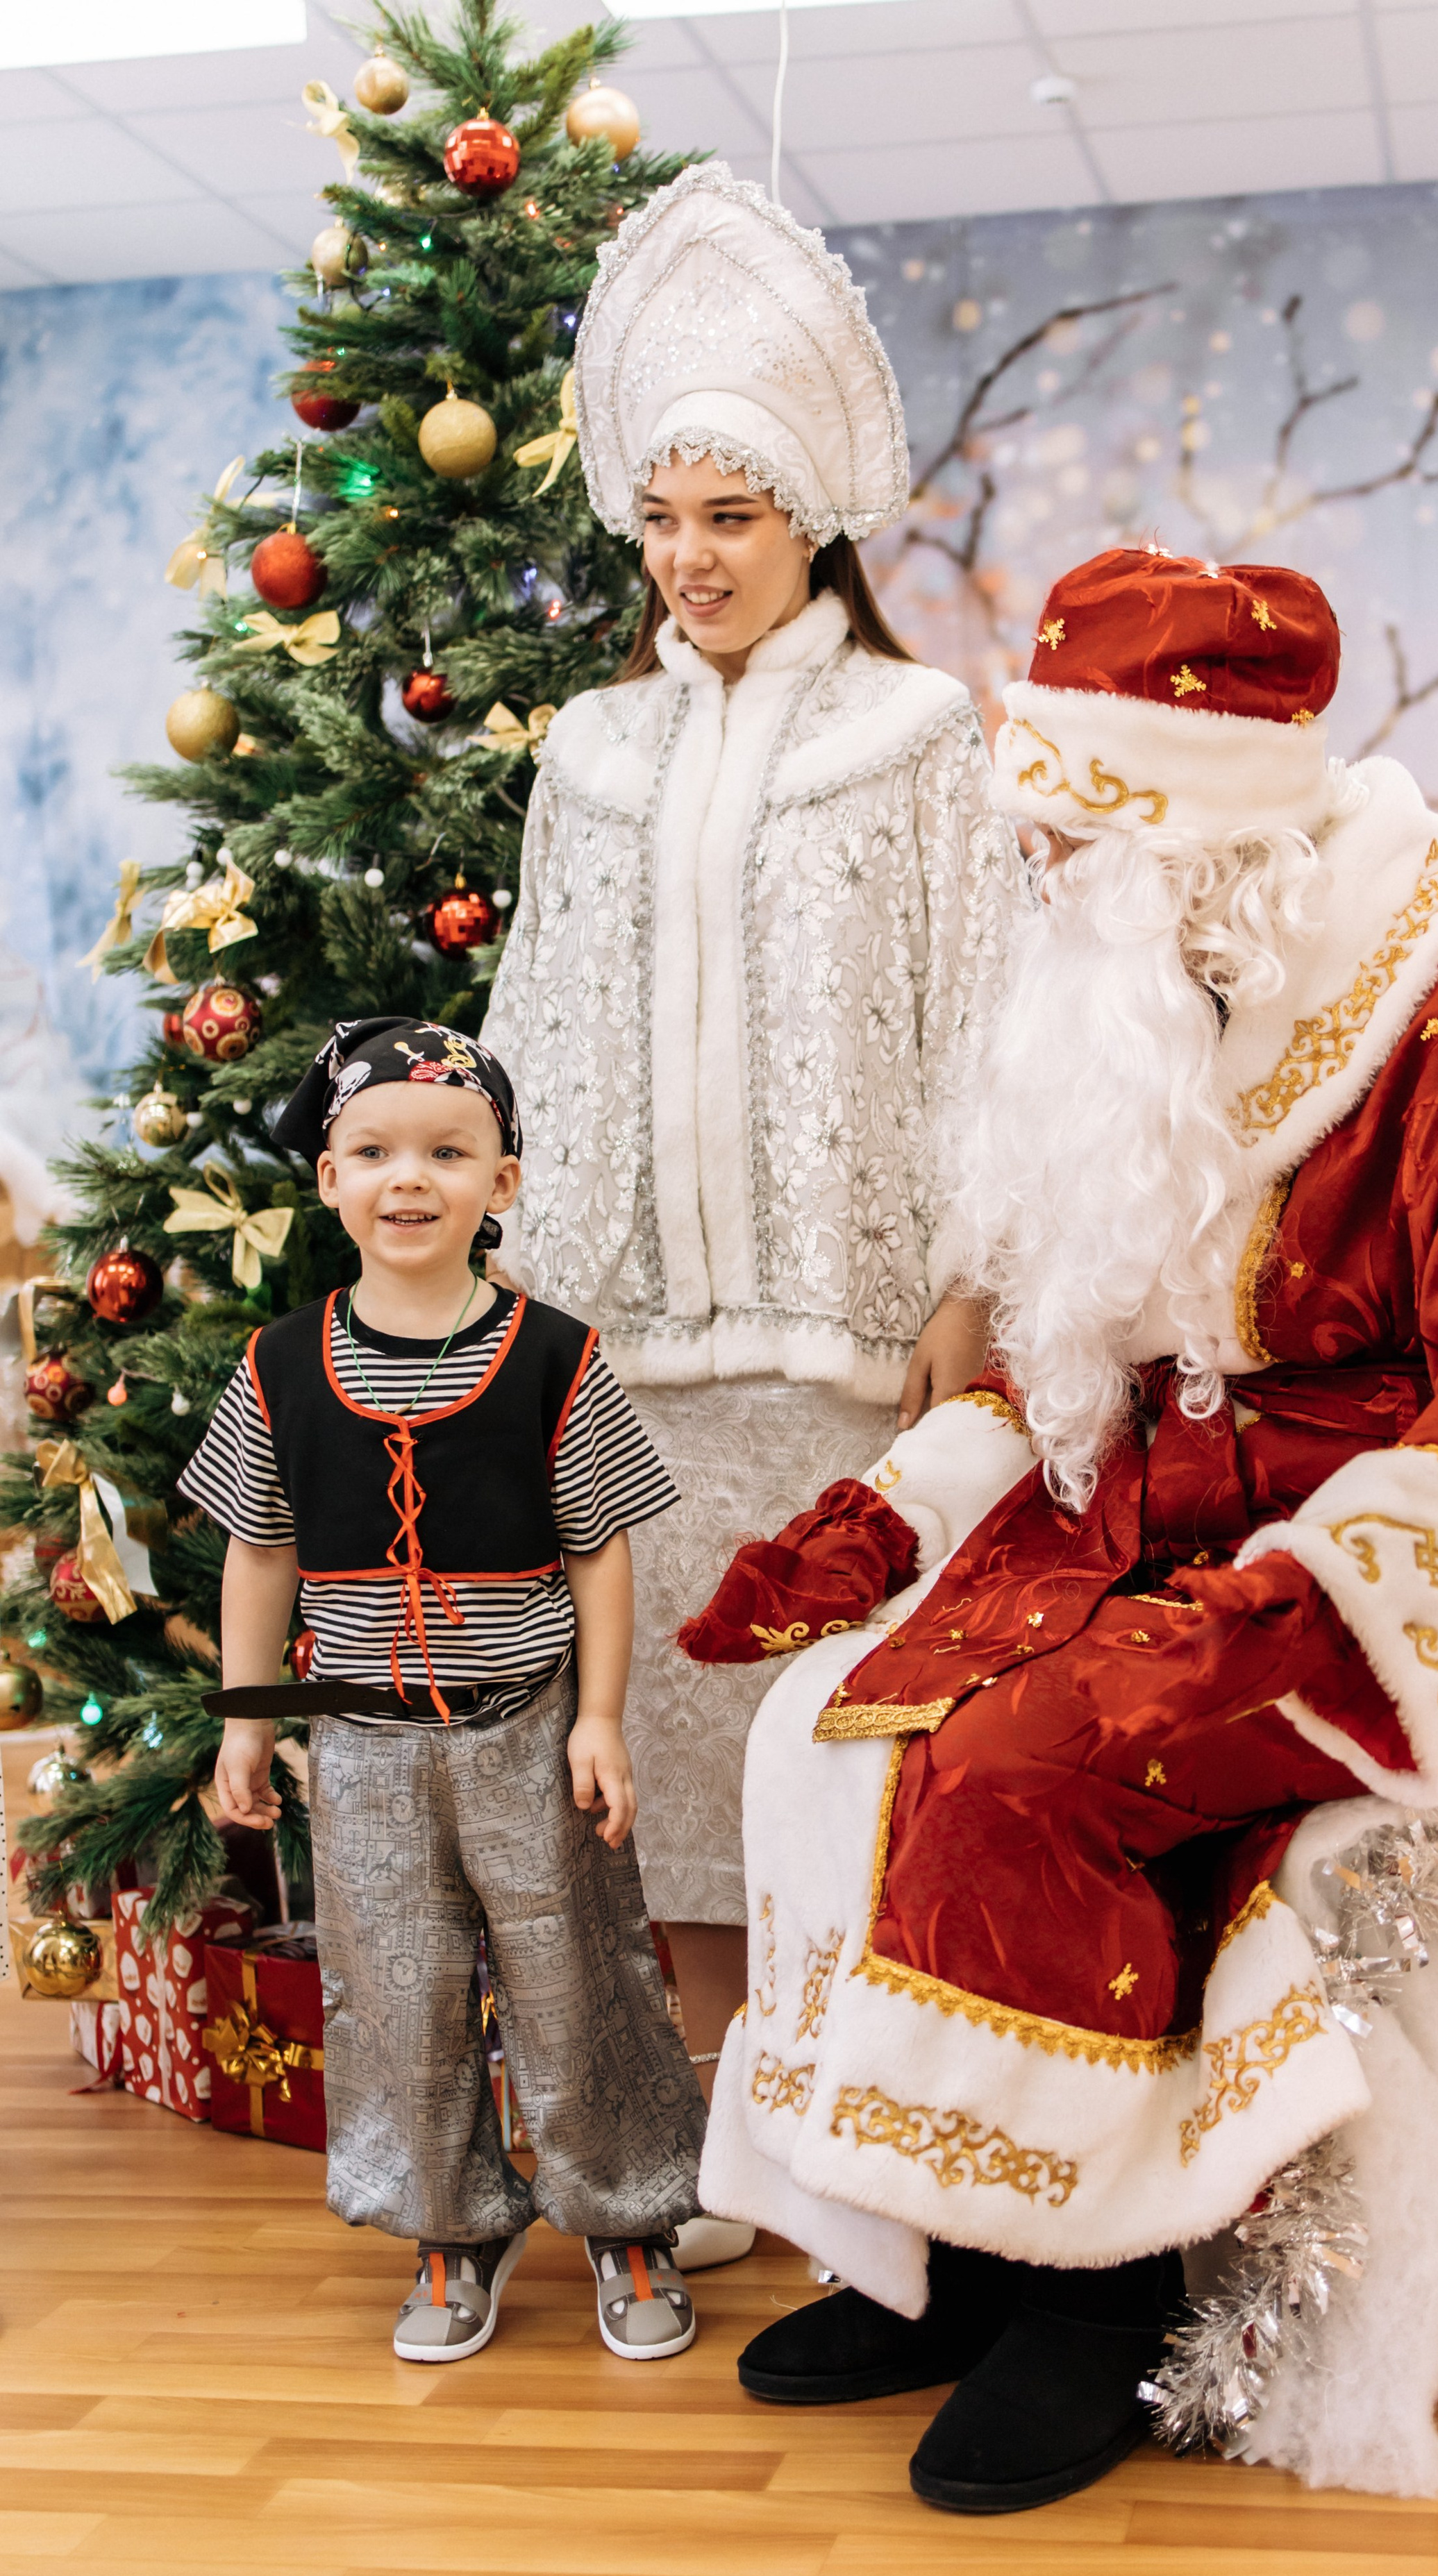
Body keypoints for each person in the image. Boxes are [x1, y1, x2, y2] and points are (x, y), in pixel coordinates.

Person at [685, 549, 1438, 2511]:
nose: (1041, 888)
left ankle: (1096, 2297)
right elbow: (1075, 1341)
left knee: (1034, 1770)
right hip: (1139, 1509)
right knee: (831, 1734)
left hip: (1410, 1557)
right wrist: (889, 1518)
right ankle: (928, 2240)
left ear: (1196, 838)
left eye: (1068, 846)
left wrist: (1290, 1615)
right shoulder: (1143, 1002)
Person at [478, 161, 1024, 2248]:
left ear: (813, 521)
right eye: (667, 520)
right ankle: (729, 2150)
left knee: (840, 1752)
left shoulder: (914, 736)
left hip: (852, 1341)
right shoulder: (591, 754)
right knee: (680, 1770)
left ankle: (863, 2146)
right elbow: (534, 1028)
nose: (695, 557)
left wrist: (967, 1292)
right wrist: (533, 1313)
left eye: (735, 515)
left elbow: (982, 1021)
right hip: (633, 1343)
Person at [188, 1016, 708, 2366]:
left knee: (574, 1977)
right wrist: (251, 1721)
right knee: (398, 1990)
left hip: (526, 1729)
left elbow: (598, 1548)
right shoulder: (277, 1366)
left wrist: (598, 1719)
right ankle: (447, 2224)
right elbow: (260, 1550)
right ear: (327, 1180)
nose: (406, 1179)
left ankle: (626, 2217)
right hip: (360, 1748)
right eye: (371, 1152)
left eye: (445, 1152)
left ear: (501, 1182)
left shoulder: (554, 1358)